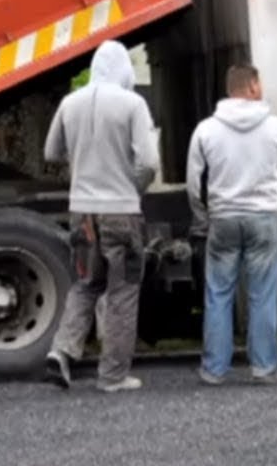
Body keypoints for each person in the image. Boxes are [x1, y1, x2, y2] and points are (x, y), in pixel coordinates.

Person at [43, 40, 159, 393]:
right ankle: (113, 376)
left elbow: (51, 152)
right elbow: (149, 162)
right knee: (123, 292)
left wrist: (80, 163)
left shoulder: (69, 103)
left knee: (86, 284)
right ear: (124, 70)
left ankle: (62, 350)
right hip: (121, 212)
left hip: (81, 212)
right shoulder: (132, 104)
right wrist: (133, 188)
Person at [186, 64, 277, 385]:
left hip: (223, 219)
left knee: (218, 294)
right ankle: (263, 367)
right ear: (252, 86)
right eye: (259, 83)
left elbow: (194, 182)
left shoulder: (206, 130)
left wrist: (202, 216)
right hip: (264, 218)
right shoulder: (276, 126)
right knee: (262, 295)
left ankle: (214, 370)